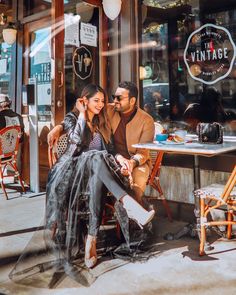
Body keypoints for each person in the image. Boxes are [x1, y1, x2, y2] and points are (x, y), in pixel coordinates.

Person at [46, 84, 155, 269]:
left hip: (96, 172)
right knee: (95, 157)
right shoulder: (73, 118)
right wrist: (76, 117)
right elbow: (77, 143)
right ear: (84, 100)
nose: (104, 104)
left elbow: (110, 149)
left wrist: (121, 158)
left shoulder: (102, 119)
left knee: (98, 169)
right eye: (97, 100)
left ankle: (92, 239)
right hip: (73, 172)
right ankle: (130, 206)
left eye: (103, 101)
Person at [48, 81, 155, 204]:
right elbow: (78, 113)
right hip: (111, 158)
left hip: (135, 161)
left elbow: (144, 152)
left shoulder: (146, 120)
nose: (114, 100)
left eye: (119, 98)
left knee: (138, 180)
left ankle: (132, 212)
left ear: (132, 101)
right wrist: (59, 128)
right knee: (99, 165)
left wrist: (132, 162)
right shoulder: (109, 109)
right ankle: (130, 208)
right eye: (113, 97)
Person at [0, 93, 24, 173]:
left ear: (1, 106)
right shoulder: (19, 117)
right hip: (13, 154)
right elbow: (21, 139)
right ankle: (11, 172)